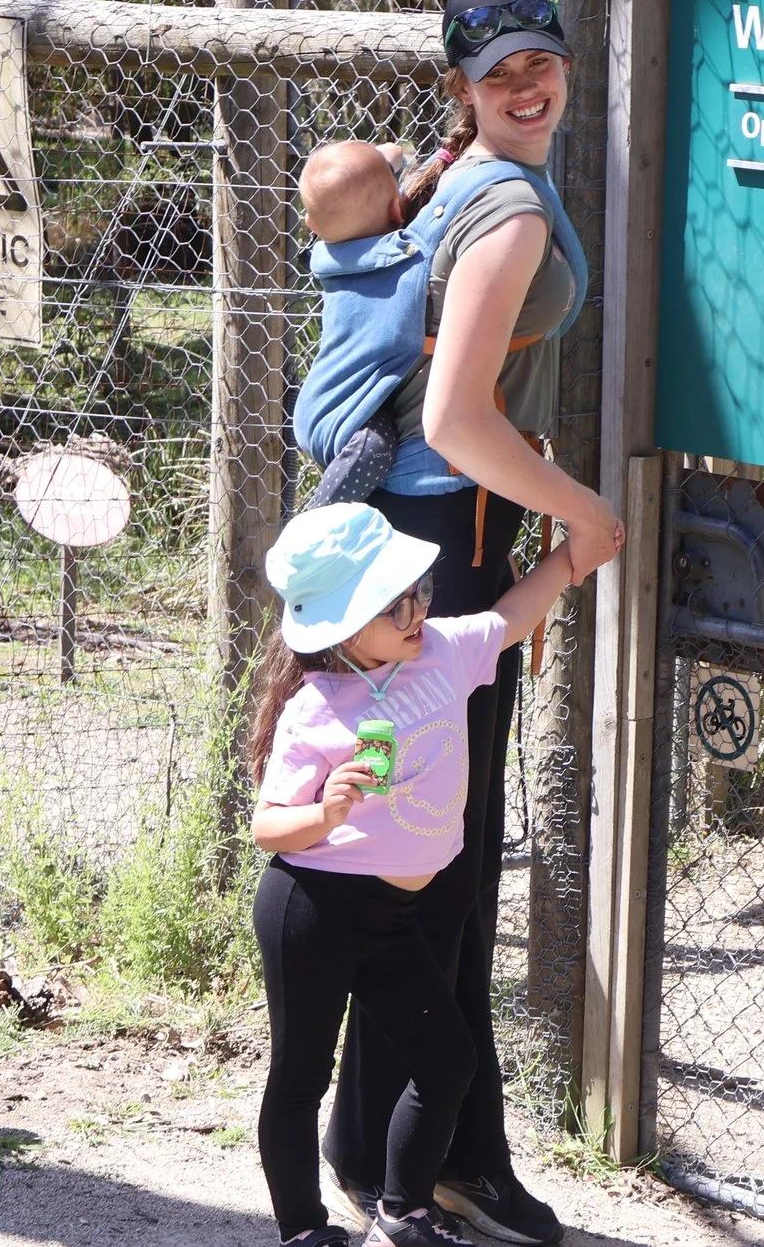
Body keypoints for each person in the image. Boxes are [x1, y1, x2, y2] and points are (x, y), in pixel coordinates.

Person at [326, 0, 624, 1246]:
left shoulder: (460, 179)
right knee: (443, 849)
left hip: (428, 533)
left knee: (420, 832)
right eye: (497, 68)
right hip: (454, 530)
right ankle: (448, 1157)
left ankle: (381, 1135)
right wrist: (581, 515)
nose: (525, 82)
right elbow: (455, 417)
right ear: (460, 84)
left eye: (538, 60)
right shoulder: (499, 205)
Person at [250, 501, 586, 1247]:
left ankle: (402, 1211)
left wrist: (570, 558)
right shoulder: (316, 707)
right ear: (342, 624)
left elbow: (511, 617)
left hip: (393, 917)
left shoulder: (443, 651)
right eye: (395, 599)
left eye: (420, 587)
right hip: (312, 904)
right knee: (301, 1075)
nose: (419, 606)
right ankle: (303, 1230)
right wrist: (326, 816)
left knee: (448, 1060)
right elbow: (268, 826)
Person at [297, 140, 419, 508]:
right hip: (354, 415)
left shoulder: (329, 256)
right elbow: (390, 162)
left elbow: (374, 170)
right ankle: (314, 524)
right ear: (398, 208)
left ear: (311, 224)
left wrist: (385, 161)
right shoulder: (403, 262)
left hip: (316, 399)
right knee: (376, 450)